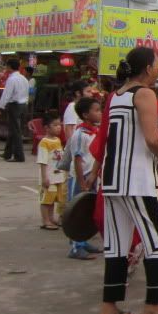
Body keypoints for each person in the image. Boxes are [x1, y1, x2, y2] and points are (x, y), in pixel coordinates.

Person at [95, 46, 158, 314]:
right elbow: (152, 138)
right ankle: (153, 310)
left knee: (117, 245)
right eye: (157, 63)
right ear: (147, 68)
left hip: (112, 181)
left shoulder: (116, 95)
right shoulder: (144, 94)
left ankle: (109, 307)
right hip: (137, 180)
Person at [65, 97, 103, 260]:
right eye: (97, 110)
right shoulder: (80, 134)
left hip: (91, 176)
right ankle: (75, 247)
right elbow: (77, 159)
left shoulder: (94, 132)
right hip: (81, 177)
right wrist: (81, 181)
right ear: (86, 115)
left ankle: (83, 241)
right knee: (77, 211)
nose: (100, 113)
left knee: (88, 210)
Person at [36, 115, 67, 232]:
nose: (59, 127)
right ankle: (45, 221)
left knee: (53, 199)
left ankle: (51, 218)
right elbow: (42, 161)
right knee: (46, 200)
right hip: (49, 177)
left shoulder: (58, 140)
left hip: (58, 176)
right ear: (46, 128)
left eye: (60, 125)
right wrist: (44, 177)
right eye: (55, 125)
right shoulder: (44, 143)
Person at [0, 59, 29, 162]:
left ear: (9, 67)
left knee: (16, 131)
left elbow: (6, 95)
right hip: (23, 105)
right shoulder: (23, 78)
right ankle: (7, 153)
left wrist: (0, 108)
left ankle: (19, 156)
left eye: (6, 66)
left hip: (14, 105)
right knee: (13, 129)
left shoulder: (12, 79)